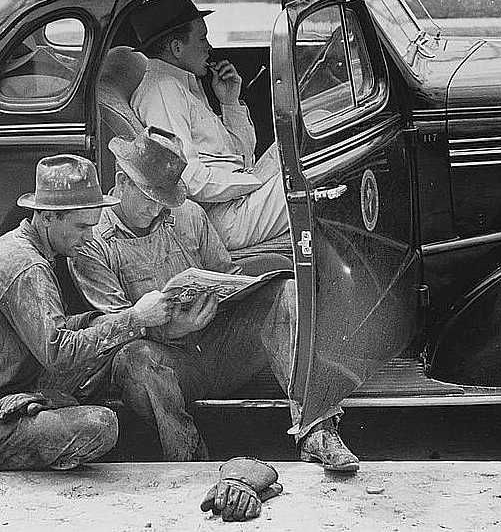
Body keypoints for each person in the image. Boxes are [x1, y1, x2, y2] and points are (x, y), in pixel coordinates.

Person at [71, 129, 359, 471]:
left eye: (165, 199)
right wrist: (172, 329)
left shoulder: (189, 215)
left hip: (217, 347)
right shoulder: (92, 240)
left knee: (287, 293)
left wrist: (231, 292)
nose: (157, 209)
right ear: (122, 181)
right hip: (168, 365)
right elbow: (110, 330)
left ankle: (318, 433)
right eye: (150, 198)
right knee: (136, 359)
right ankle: (189, 463)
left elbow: (227, 275)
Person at [0, 154, 174, 471]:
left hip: (1, 390)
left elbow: (55, 336)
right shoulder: (28, 266)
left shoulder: (23, 245)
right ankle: (36, 414)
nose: (89, 237)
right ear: (47, 217)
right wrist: (136, 318)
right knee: (102, 426)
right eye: (80, 227)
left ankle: (38, 404)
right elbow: (59, 353)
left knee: (103, 331)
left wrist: (107, 323)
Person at [129, 0, 289, 251]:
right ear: (177, 47)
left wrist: (229, 102)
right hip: (225, 218)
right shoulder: (162, 91)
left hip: (236, 196)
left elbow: (242, 154)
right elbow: (188, 179)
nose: (210, 47)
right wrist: (255, 182)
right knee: (318, 174)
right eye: (202, 38)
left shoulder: (185, 84)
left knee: (315, 126)